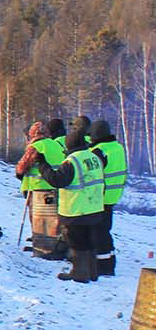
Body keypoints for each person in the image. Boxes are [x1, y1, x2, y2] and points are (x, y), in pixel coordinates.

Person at [40, 128, 106, 282]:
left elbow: (57, 180)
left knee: (78, 243)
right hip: (94, 207)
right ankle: (92, 272)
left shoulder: (73, 161)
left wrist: (43, 165)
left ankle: (80, 274)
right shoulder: (94, 157)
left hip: (77, 209)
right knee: (89, 241)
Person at [15, 118, 68, 258]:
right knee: (53, 220)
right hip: (56, 187)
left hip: (39, 190)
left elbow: (22, 167)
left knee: (40, 221)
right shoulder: (56, 145)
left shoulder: (36, 146)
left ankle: (42, 249)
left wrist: (20, 175)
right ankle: (54, 248)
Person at [89, 120, 127, 275]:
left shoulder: (98, 151)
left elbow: (91, 175)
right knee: (105, 231)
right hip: (113, 195)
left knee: (98, 233)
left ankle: (102, 266)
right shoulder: (118, 147)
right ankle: (109, 263)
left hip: (100, 197)